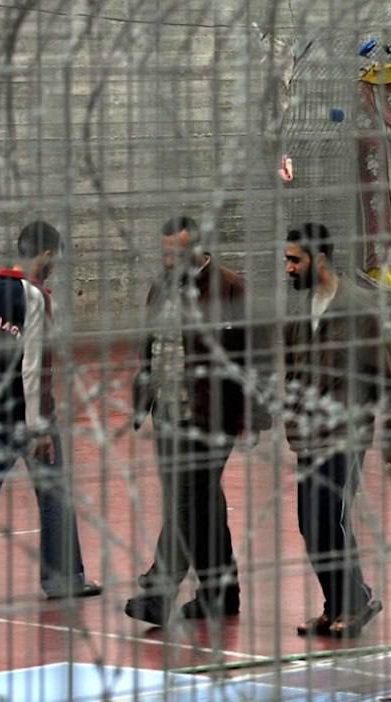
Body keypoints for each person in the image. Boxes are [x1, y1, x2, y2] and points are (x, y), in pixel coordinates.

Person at [124, 216, 272, 626]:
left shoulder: (231, 289)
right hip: (167, 415)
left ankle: (159, 590)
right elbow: (150, 347)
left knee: (186, 502)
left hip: (211, 419)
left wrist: (253, 416)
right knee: (201, 504)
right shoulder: (161, 287)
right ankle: (221, 594)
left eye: (177, 253)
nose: (170, 260)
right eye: (165, 253)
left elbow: (257, 357)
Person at [282, 223, 391, 638]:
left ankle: (354, 602)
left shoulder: (360, 311)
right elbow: (292, 372)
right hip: (308, 436)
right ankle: (336, 603)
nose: (288, 268)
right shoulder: (300, 312)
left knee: (330, 522)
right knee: (310, 525)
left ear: (319, 260)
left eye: (294, 260)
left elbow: (389, 379)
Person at [0, 220, 103, 600]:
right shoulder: (35, 297)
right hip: (29, 415)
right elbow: (31, 366)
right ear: (47, 254)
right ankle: (64, 580)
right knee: (54, 497)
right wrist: (37, 427)